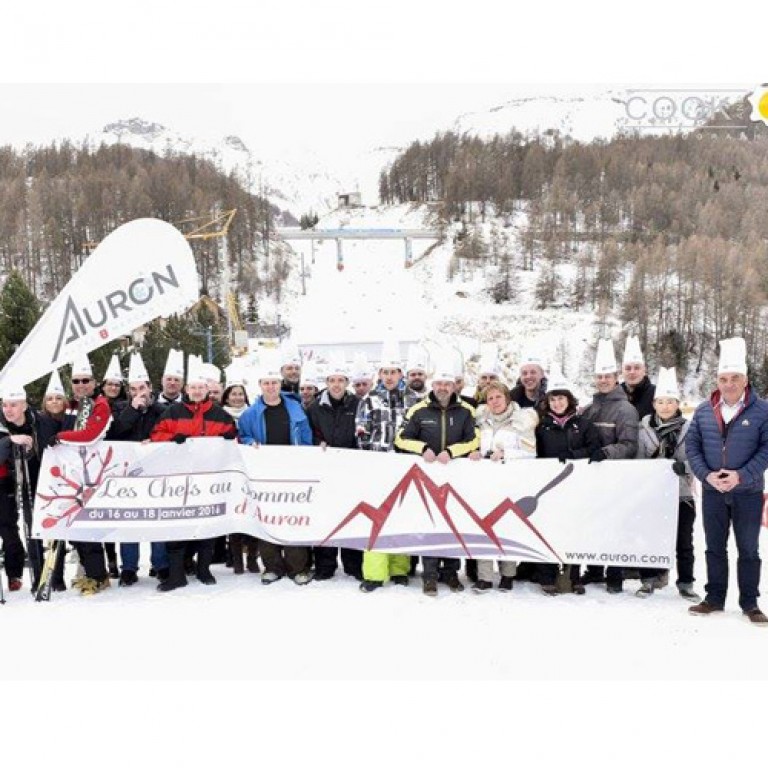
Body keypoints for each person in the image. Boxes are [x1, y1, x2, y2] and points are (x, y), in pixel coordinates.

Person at [685, 338, 768, 625]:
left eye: (735, 378)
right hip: (713, 492)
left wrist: (741, 475)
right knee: (713, 546)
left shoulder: (762, 410)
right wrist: (706, 475)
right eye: (723, 378)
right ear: (717, 380)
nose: (729, 384)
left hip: (748, 491)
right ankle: (714, 598)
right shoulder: (704, 410)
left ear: (745, 379)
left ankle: (750, 602)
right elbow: (692, 447)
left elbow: (766, 449)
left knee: (748, 548)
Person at [150, 355, 237, 592]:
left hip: (209, 479)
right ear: (187, 389)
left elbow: (235, 442)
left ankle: (204, 569)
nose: (197, 391)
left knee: (207, 525)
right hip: (178, 480)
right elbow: (156, 435)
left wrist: (231, 438)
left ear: (207, 389)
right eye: (193, 387)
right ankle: (177, 574)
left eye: (201, 387)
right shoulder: (173, 412)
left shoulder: (220, 414)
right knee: (177, 525)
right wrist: (172, 438)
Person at [396, 360, 479, 596]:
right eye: (439, 383)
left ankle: (451, 573)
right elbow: (400, 439)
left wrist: (453, 452)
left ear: (454, 386)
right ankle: (430, 575)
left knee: (454, 524)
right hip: (426, 478)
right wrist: (422, 448)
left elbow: (474, 440)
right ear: (433, 384)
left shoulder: (466, 411)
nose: (443, 387)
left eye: (447, 384)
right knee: (430, 524)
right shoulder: (418, 410)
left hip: (456, 477)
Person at [238, 358, 314, 585]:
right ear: (260, 385)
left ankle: (298, 567)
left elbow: (307, 438)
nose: (270, 387)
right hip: (264, 475)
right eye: (266, 383)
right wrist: (250, 441)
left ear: (280, 384)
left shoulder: (296, 408)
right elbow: (242, 437)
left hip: (293, 473)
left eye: (274, 382)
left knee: (294, 518)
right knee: (267, 517)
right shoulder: (250, 414)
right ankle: (272, 566)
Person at [534, 367, 601, 595]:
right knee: (547, 529)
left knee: (574, 529)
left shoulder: (583, 424)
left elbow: (594, 449)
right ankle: (547, 576)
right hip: (549, 486)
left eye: (561, 398)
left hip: (576, 485)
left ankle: (574, 576)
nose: (557, 403)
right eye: (553, 399)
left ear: (569, 400)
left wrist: (574, 456)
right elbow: (535, 454)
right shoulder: (542, 426)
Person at [580, 338, 639, 593]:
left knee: (615, 524)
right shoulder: (590, 408)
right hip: (593, 477)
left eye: (608, 375)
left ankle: (614, 573)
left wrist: (605, 452)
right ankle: (593, 569)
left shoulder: (625, 409)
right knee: (593, 522)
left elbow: (630, 445)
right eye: (599, 376)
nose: (603, 380)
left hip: (616, 475)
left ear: (616, 377)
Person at [52, 353, 114, 595]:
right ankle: (89, 572)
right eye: (76, 381)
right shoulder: (73, 405)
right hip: (74, 474)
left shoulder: (99, 404)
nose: (80, 385)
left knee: (88, 528)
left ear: (94, 381)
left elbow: (90, 435)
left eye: (85, 380)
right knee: (75, 528)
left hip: (94, 474)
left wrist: (59, 437)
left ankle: (99, 576)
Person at [635, 367, 699, 601]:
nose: (665, 406)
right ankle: (648, 579)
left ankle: (686, 582)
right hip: (652, 494)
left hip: (681, 494)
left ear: (677, 404)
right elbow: (639, 460)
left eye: (669, 402)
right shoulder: (644, 429)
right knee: (649, 537)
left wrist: (687, 469)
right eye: (660, 402)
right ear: (654, 404)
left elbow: (696, 457)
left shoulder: (689, 428)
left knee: (684, 540)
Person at [468, 380, 538, 593]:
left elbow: (531, 452)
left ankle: (508, 575)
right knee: (483, 527)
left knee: (507, 528)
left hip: (511, 482)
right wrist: (475, 453)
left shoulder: (522, 420)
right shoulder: (482, 421)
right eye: (490, 398)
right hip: (486, 483)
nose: (494, 401)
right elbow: (474, 444)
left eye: (498, 397)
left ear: (507, 398)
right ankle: (485, 577)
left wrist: (507, 454)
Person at [356, 340, 412, 592]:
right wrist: (370, 459)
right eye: (385, 372)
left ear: (401, 374)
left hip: (405, 466)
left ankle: (400, 568)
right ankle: (375, 573)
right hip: (377, 467)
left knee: (402, 517)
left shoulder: (413, 399)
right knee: (376, 519)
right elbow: (361, 433)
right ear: (379, 374)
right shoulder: (369, 399)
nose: (389, 377)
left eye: (394, 372)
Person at [109, 352, 169, 587]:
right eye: (133, 389)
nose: (138, 393)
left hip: (156, 473)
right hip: (128, 476)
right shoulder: (120, 409)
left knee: (157, 520)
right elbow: (115, 433)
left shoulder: (162, 409)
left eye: (141, 388)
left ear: (150, 387)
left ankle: (161, 564)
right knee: (129, 522)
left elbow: (168, 431)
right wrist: (133, 409)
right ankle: (129, 568)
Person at [306, 356, 362, 580]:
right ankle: (325, 566)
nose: (336, 384)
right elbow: (307, 434)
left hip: (351, 470)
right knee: (325, 517)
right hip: (324, 471)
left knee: (353, 516)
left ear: (347, 382)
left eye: (341, 380)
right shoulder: (315, 407)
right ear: (326, 382)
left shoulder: (358, 404)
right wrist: (315, 444)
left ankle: (353, 563)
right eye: (332, 380)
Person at [0, 382, 60, 593]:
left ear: (24, 405)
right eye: (5, 404)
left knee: (36, 527)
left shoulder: (41, 422)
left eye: (13, 405)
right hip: (6, 482)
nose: (8, 410)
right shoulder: (1, 424)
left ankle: (46, 575)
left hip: (37, 480)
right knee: (13, 528)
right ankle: (21, 573)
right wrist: (9, 441)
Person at [221, 377, 258, 575]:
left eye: (240, 394)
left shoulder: (253, 414)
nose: (237, 397)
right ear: (227, 396)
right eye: (233, 393)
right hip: (229, 471)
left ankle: (252, 557)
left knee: (253, 513)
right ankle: (236, 560)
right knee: (234, 515)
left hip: (251, 471)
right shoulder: (220, 415)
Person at [621, 336, 656, 420]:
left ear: (644, 370)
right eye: (628, 368)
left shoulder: (656, 394)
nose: (632, 372)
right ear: (622, 371)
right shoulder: (615, 394)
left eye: (637, 368)